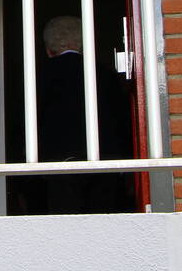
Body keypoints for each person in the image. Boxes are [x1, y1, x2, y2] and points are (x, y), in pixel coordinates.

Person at [31, 15, 135, 214]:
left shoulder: (39, 75)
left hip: (58, 163)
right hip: (104, 161)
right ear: (83, 45)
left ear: (48, 49)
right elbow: (122, 119)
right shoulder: (104, 74)